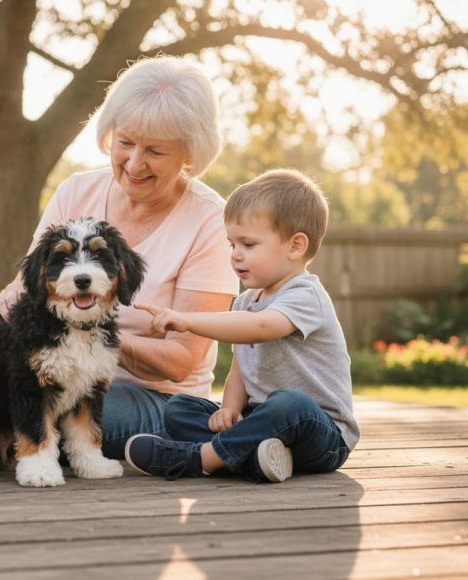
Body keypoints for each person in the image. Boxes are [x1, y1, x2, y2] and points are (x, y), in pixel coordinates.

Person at [0, 55, 240, 458]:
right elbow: (28, 286)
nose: (134, 163)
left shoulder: (210, 222)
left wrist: (92, 329)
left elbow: (182, 361)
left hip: (149, 395)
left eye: (155, 151)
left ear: (190, 153)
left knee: (50, 405)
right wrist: (8, 300)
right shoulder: (76, 191)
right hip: (53, 359)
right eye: (125, 143)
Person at [124, 169, 359, 483]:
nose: (235, 255)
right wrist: (229, 409)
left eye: (248, 244)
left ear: (295, 246)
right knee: (178, 409)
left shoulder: (306, 295)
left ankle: (200, 458)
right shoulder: (246, 301)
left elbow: (261, 326)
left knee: (290, 403)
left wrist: (187, 320)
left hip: (320, 435)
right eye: (232, 244)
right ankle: (256, 459)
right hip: (262, 425)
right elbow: (241, 368)